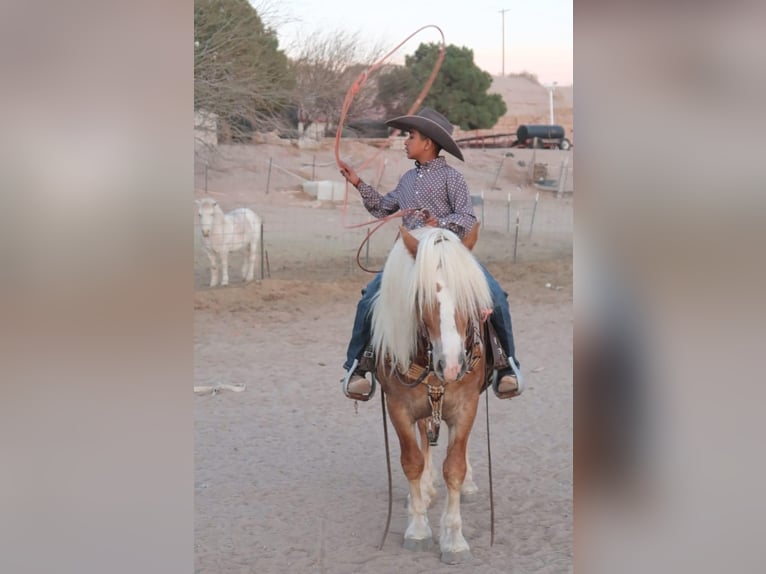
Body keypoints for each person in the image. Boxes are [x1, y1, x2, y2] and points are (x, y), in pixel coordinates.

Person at [338, 107, 522, 401]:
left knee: (496, 298)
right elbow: (384, 207)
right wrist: (358, 183)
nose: (405, 141)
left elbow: (466, 217)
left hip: (449, 254)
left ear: (428, 143)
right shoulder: (407, 180)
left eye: (411, 136)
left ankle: (506, 365)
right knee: (369, 299)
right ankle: (359, 366)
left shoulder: (452, 178)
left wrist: (443, 223)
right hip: (411, 256)